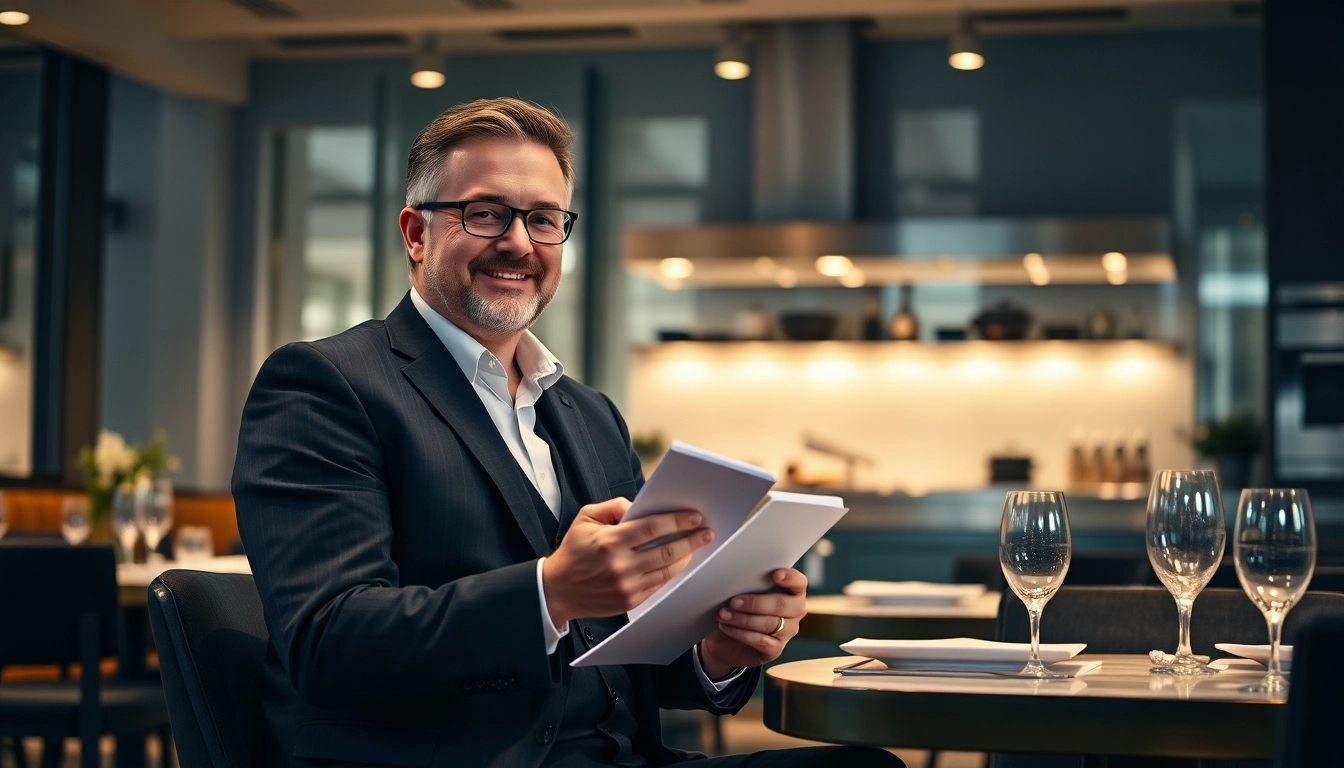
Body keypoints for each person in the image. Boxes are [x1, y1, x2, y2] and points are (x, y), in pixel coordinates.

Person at [233, 97, 903, 768]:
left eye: (544, 219)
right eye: (485, 213)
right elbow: (328, 643)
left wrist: (716, 651)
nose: (519, 243)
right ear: (416, 234)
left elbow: (624, 660)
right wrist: (549, 593)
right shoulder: (325, 385)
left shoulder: (593, 417)